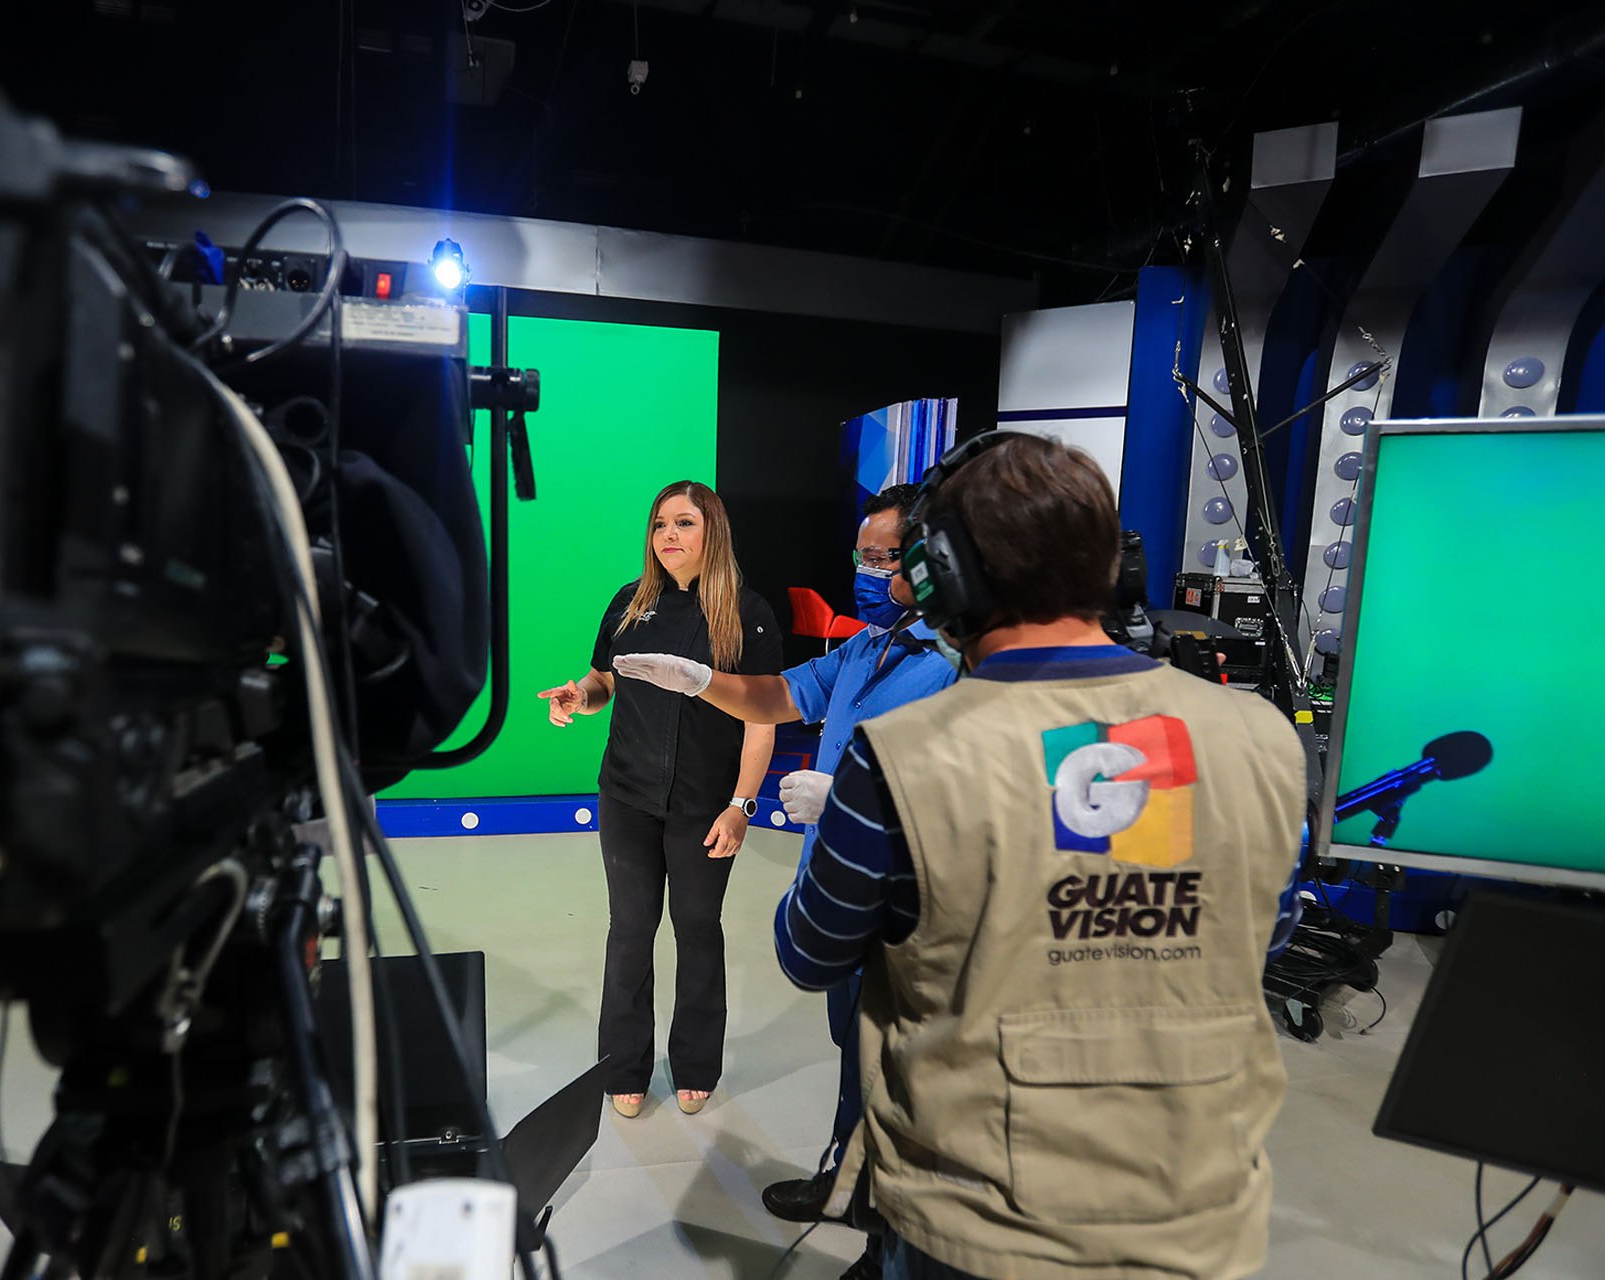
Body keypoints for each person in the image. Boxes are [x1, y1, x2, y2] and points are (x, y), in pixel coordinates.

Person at [774, 431, 1305, 1280]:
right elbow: (1262, 939)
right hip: (1197, 1211)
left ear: (945, 573)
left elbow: (810, 951)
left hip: (978, 1227)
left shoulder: (902, 756)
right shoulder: (1261, 739)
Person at [613, 483, 956, 1280]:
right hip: (842, 892)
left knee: (909, 1073)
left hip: (916, 908)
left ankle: (900, 1232)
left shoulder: (963, 666)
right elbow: (781, 694)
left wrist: (860, 801)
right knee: (855, 1052)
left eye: (885, 558)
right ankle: (846, 1181)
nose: (869, 572)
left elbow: (987, 795)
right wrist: (702, 681)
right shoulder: (872, 646)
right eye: (861, 556)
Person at [537, 481, 780, 1119]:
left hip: (706, 805)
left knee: (698, 931)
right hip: (626, 796)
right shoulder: (629, 602)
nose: (668, 536)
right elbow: (603, 680)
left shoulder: (747, 614)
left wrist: (742, 805)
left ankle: (696, 1064)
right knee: (630, 930)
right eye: (660, 525)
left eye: (684, 524)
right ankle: (624, 1068)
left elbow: (762, 719)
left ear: (713, 533)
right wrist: (578, 698)